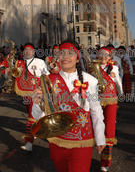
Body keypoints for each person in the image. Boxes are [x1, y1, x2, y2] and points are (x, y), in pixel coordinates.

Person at [32, 39, 106, 172]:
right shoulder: (48, 79)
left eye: (70, 53)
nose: (65, 56)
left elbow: (96, 110)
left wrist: (100, 137)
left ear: (78, 59)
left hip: (82, 142)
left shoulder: (90, 80)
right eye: (62, 53)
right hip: (57, 140)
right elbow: (39, 115)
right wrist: (37, 102)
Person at [14, 42, 49, 151]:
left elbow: (46, 75)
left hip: (36, 92)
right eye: (25, 51)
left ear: (33, 52)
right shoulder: (19, 63)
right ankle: (39, 130)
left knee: (31, 116)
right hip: (25, 94)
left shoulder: (40, 62)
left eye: (29, 50)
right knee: (34, 115)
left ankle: (29, 143)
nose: (27, 52)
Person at [98, 46, 123, 172]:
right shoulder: (93, 68)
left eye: (106, 55)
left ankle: (106, 160)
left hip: (111, 100)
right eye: (101, 54)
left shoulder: (114, 68)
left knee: (109, 127)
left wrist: (121, 93)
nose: (103, 57)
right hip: (97, 101)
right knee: (97, 126)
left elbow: (118, 82)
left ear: (109, 57)